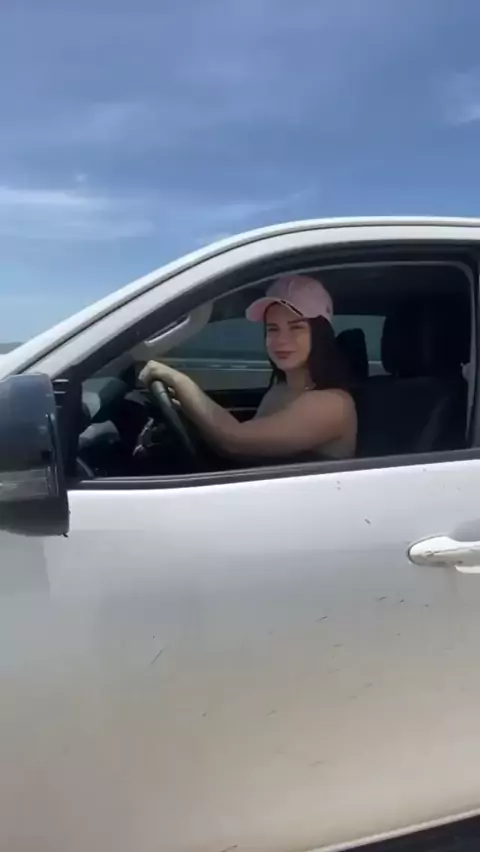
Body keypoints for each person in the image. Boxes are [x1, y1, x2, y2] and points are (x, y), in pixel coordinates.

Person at [139, 275, 357, 461]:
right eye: (273, 329)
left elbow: (235, 441)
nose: (281, 340)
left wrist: (176, 379)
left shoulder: (333, 404)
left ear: (319, 333)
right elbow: (247, 454)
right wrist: (186, 408)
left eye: (296, 328)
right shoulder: (282, 390)